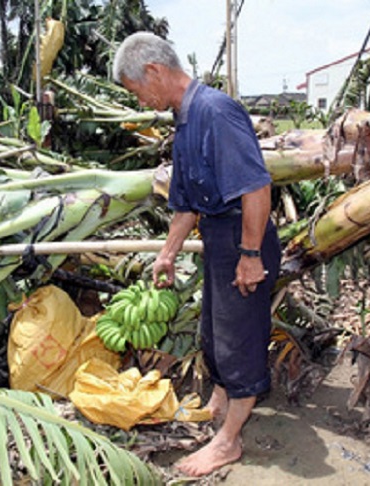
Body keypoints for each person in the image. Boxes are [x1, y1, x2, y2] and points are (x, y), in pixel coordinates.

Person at [112, 32, 281, 477]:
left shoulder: (214, 112)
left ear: (154, 71)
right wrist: (167, 254)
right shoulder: (185, 120)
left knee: (239, 340)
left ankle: (228, 442)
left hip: (245, 237)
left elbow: (256, 187)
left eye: (136, 89)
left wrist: (249, 254)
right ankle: (219, 404)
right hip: (219, 239)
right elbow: (186, 202)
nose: (141, 100)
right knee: (215, 332)